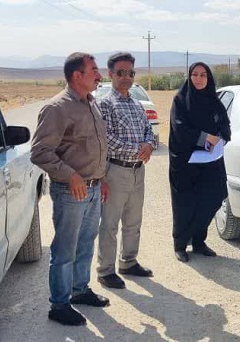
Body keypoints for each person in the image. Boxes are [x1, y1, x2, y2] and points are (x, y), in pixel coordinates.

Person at [31, 52, 111, 326]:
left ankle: (79, 290)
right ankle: (59, 304)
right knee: (65, 249)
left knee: (86, 244)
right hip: (70, 191)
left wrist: (102, 178)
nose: (99, 75)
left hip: (93, 188)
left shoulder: (92, 103)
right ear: (77, 75)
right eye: (94, 70)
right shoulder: (57, 108)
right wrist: (71, 175)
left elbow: (97, 147)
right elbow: (40, 152)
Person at [95, 52, 157, 289]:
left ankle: (128, 262)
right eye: (120, 72)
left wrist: (149, 145)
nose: (126, 77)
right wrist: (138, 150)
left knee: (133, 220)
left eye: (130, 72)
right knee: (109, 223)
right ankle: (105, 270)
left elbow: (148, 131)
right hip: (115, 171)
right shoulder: (104, 104)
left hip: (137, 172)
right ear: (110, 74)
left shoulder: (136, 105)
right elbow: (106, 140)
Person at [169, 62, 231, 262]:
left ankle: (198, 241)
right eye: (194, 74)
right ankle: (180, 244)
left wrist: (219, 137)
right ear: (189, 76)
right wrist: (205, 138)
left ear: (209, 78)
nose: (198, 78)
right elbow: (179, 129)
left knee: (212, 198)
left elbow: (225, 125)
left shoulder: (214, 101)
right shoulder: (180, 100)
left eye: (203, 75)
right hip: (185, 163)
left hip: (210, 162)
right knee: (185, 204)